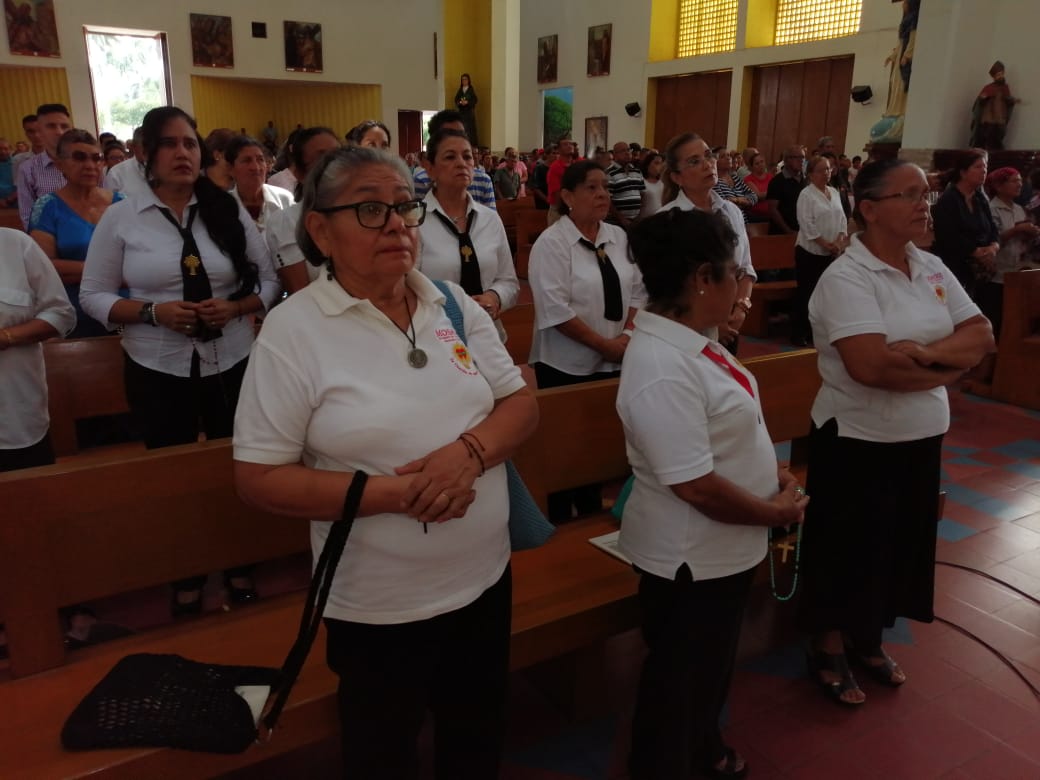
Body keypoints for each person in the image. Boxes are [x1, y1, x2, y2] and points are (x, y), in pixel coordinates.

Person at [232, 145, 537, 779]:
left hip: (484, 579)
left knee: (476, 737)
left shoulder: (448, 303)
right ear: (320, 229)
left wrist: (468, 455)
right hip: (379, 606)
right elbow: (259, 478)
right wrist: (402, 495)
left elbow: (519, 404)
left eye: (405, 207)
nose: (398, 224)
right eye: (371, 209)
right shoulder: (295, 332)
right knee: (382, 752)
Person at [798, 159, 994, 707]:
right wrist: (949, 372)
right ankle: (827, 642)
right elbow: (870, 367)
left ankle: (868, 637)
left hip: (921, 432)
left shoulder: (929, 266)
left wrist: (929, 355)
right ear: (868, 209)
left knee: (895, 545)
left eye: (924, 193)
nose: (922, 203)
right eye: (907, 194)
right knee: (847, 546)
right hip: (857, 436)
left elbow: (982, 334)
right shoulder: (847, 278)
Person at [619, 207, 807, 780]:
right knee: (680, 681)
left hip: (721, 550)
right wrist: (771, 513)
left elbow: (734, 427)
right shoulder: (659, 365)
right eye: (734, 274)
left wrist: (774, 474)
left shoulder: (698, 343)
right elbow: (695, 486)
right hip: (689, 557)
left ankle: (703, 750)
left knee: (707, 672)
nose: (741, 289)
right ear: (703, 278)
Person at [80, 106, 279, 616]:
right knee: (170, 475)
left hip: (231, 356)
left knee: (234, 462)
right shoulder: (123, 217)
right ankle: (185, 570)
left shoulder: (226, 210)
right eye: (169, 144)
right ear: (146, 153)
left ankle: (238, 561)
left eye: (190, 143)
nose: (182, 153)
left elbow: (270, 281)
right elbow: (94, 295)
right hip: (156, 364)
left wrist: (236, 306)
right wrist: (152, 311)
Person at [528, 160, 646, 520]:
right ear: (567, 196)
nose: (602, 195)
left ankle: (595, 511)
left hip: (616, 358)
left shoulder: (619, 237)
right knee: (566, 453)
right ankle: (562, 519)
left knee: (600, 446)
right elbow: (555, 309)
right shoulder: (553, 243)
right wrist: (605, 345)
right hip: (565, 365)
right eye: (591, 188)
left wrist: (626, 335)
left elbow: (639, 293)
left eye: (605, 188)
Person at [659, 133, 756, 351]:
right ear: (677, 177)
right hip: (685, 330)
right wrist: (712, 320)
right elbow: (668, 289)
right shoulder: (667, 220)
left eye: (708, 155)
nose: (707, 165)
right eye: (694, 161)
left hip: (730, 322)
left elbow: (746, 268)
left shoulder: (731, 211)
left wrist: (741, 308)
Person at [420, 129, 518, 338]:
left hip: (488, 336)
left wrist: (494, 297)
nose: (461, 163)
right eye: (449, 157)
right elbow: (402, 289)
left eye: (467, 156)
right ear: (429, 168)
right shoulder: (415, 222)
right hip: (434, 337)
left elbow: (509, 281)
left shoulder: (489, 219)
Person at [29, 129, 125, 338]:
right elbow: (46, 266)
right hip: (75, 310)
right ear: (60, 164)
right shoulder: (47, 206)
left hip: (127, 308)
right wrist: (114, 271)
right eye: (79, 157)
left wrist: (78, 270)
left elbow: (142, 258)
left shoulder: (123, 203)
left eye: (96, 158)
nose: (90, 165)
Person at [0, 228, 75, 472]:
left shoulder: (17, 244)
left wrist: (7, 336)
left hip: (15, 418)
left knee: (31, 504)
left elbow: (61, 314)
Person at [266, 126, 341, 296]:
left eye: (337, 155)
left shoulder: (360, 212)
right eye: (321, 157)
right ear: (300, 173)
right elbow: (300, 293)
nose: (334, 163)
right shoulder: (287, 221)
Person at [792, 156, 849, 347]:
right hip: (810, 251)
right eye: (822, 170)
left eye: (828, 169)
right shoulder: (806, 195)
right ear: (811, 174)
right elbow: (807, 224)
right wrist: (825, 243)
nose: (827, 173)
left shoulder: (833, 191)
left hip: (832, 251)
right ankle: (799, 332)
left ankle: (819, 333)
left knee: (826, 294)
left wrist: (839, 241)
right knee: (807, 293)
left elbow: (842, 218)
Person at [931, 148, 999, 298]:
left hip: (981, 269)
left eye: (985, 167)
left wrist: (993, 246)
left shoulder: (980, 198)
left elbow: (992, 227)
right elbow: (948, 236)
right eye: (978, 167)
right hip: (955, 267)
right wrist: (976, 252)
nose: (984, 171)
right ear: (963, 172)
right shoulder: (948, 200)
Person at [984, 167, 1040, 337]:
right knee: (999, 319)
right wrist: (1017, 230)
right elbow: (992, 239)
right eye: (1014, 181)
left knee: (1018, 320)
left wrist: (1032, 232)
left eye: (1020, 181)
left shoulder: (1020, 209)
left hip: (1019, 269)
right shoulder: (992, 208)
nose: (1019, 184)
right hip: (999, 271)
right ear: (999, 186)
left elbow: (1025, 240)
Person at [413, 110, 496, 209]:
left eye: (461, 134)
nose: (461, 163)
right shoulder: (421, 181)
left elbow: (490, 221)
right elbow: (416, 220)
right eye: (450, 157)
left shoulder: (483, 181)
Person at [16, 103, 72, 229]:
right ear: (40, 131)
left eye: (64, 126)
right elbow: (28, 216)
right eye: (51, 126)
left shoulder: (88, 162)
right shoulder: (28, 169)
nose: (59, 132)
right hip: (50, 238)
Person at [226, 135, 293, 232]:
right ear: (230, 169)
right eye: (246, 161)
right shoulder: (224, 207)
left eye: (260, 160)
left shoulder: (284, 199)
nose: (256, 167)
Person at [970, 61, 1017, 150]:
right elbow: (980, 102)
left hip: (1000, 120)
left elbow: (1008, 99)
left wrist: (1011, 101)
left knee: (997, 139)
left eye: (1002, 74)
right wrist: (983, 98)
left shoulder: (1005, 87)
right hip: (989, 120)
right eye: (998, 75)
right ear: (994, 77)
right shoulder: (988, 88)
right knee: (987, 138)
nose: (1001, 76)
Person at [765, 145, 806, 235]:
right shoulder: (777, 181)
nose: (801, 160)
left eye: (803, 157)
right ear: (786, 160)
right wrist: (788, 231)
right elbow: (773, 210)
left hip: (803, 232)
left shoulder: (806, 180)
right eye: (797, 157)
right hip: (781, 233)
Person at [605, 141, 645, 228]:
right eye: (623, 151)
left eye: (628, 150)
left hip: (636, 220)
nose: (627, 153)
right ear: (615, 155)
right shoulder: (609, 173)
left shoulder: (637, 171)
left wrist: (639, 215)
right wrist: (621, 219)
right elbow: (607, 199)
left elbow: (642, 194)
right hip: (616, 222)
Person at [712, 148, 757, 222]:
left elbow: (753, 196)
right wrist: (745, 202)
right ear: (715, 162)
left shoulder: (735, 177)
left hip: (744, 221)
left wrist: (737, 200)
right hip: (728, 223)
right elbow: (724, 206)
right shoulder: (715, 181)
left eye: (729, 155)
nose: (728, 158)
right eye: (723, 156)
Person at [743, 151, 774, 224]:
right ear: (751, 167)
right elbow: (758, 196)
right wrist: (773, 192)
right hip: (755, 216)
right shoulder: (748, 179)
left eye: (762, 161)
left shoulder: (771, 177)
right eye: (757, 164)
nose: (760, 165)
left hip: (771, 214)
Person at [454, 73, 479, 148]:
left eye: (465, 79)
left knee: (469, 128)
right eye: (462, 79)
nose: (464, 81)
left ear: (468, 80)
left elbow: (475, 100)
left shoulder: (471, 89)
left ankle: (470, 143)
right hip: (462, 112)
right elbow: (456, 99)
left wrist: (467, 102)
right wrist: (460, 102)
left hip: (469, 112)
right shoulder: (460, 90)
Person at [638, 151, 665, 219]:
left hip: (661, 218)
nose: (659, 166)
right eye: (656, 163)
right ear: (648, 165)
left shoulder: (663, 182)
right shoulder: (641, 181)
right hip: (645, 219)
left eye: (661, 164)